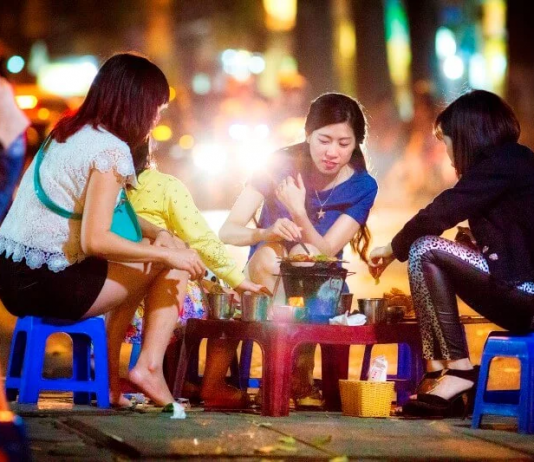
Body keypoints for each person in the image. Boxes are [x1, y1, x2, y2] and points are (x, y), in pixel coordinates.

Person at [0, 52, 206, 409]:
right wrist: (167, 253)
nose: (156, 119)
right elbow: (95, 240)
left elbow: (109, 211)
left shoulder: (68, 132)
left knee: (149, 255)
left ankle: (110, 379)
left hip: (14, 276)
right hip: (48, 283)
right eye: (155, 108)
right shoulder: (110, 150)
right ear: (137, 105)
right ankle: (148, 368)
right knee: (169, 265)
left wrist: (158, 234)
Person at [368, 89, 534, 417]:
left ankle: (458, 371)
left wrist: (391, 248)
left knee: (425, 248)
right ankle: (445, 370)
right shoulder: (513, 163)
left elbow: (443, 210)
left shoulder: (506, 160)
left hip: (526, 293)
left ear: (467, 135)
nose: (446, 152)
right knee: (433, 250)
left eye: (446, 141)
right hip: (520, 290)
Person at [218, 92, 378, 405]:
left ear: (356, 143)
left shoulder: (362, 185)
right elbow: (228, 230)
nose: (332, 152)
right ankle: (284, 375)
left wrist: (299, 211)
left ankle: (294, 376)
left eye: (344, 143)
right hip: (266, 273)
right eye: (324, 140)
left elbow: (327, 251)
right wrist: (266, 231)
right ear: (308, 135)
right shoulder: (279, 165)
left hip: (323, 286)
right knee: (271, 254)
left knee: (302, 254)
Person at [124, 141, 265, 395]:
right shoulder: (164, 186)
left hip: (111, 296)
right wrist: (237, 280)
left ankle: (174, 378)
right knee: (228, 306)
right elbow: (202, 239)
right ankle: (213, 387)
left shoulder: (105, 188)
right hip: (155, 298)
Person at [0, 76, 30, 223]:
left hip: (10, 142)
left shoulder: (1, 85)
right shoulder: (3, 83)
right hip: (13, 140)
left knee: (4, 190)